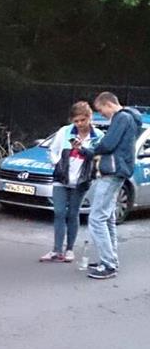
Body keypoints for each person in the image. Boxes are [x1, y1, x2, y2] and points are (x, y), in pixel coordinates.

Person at [77, 92, 142, 279]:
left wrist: (89, 150)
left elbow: (108, 144)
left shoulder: (121, 118)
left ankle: (108, 264)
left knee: (96, 218)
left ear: (108, 104)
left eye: (101, 110)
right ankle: (110, 259)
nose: (102, 114)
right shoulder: (131, 118)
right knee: (108, 218)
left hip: (112, 171)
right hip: (120, 171)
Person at [40, 101, 104, 263]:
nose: (80, 124)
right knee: (59, 212)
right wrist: (57, 163)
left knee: (73, 213)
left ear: (89, 118)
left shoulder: (98, 136)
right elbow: (53, 150)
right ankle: (56, 250)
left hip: (81, 180)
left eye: (83, 120)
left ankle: (69, 249)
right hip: (62, 178)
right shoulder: (65, 131)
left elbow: (98, 157)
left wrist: (85, 151)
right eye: (76, 121)